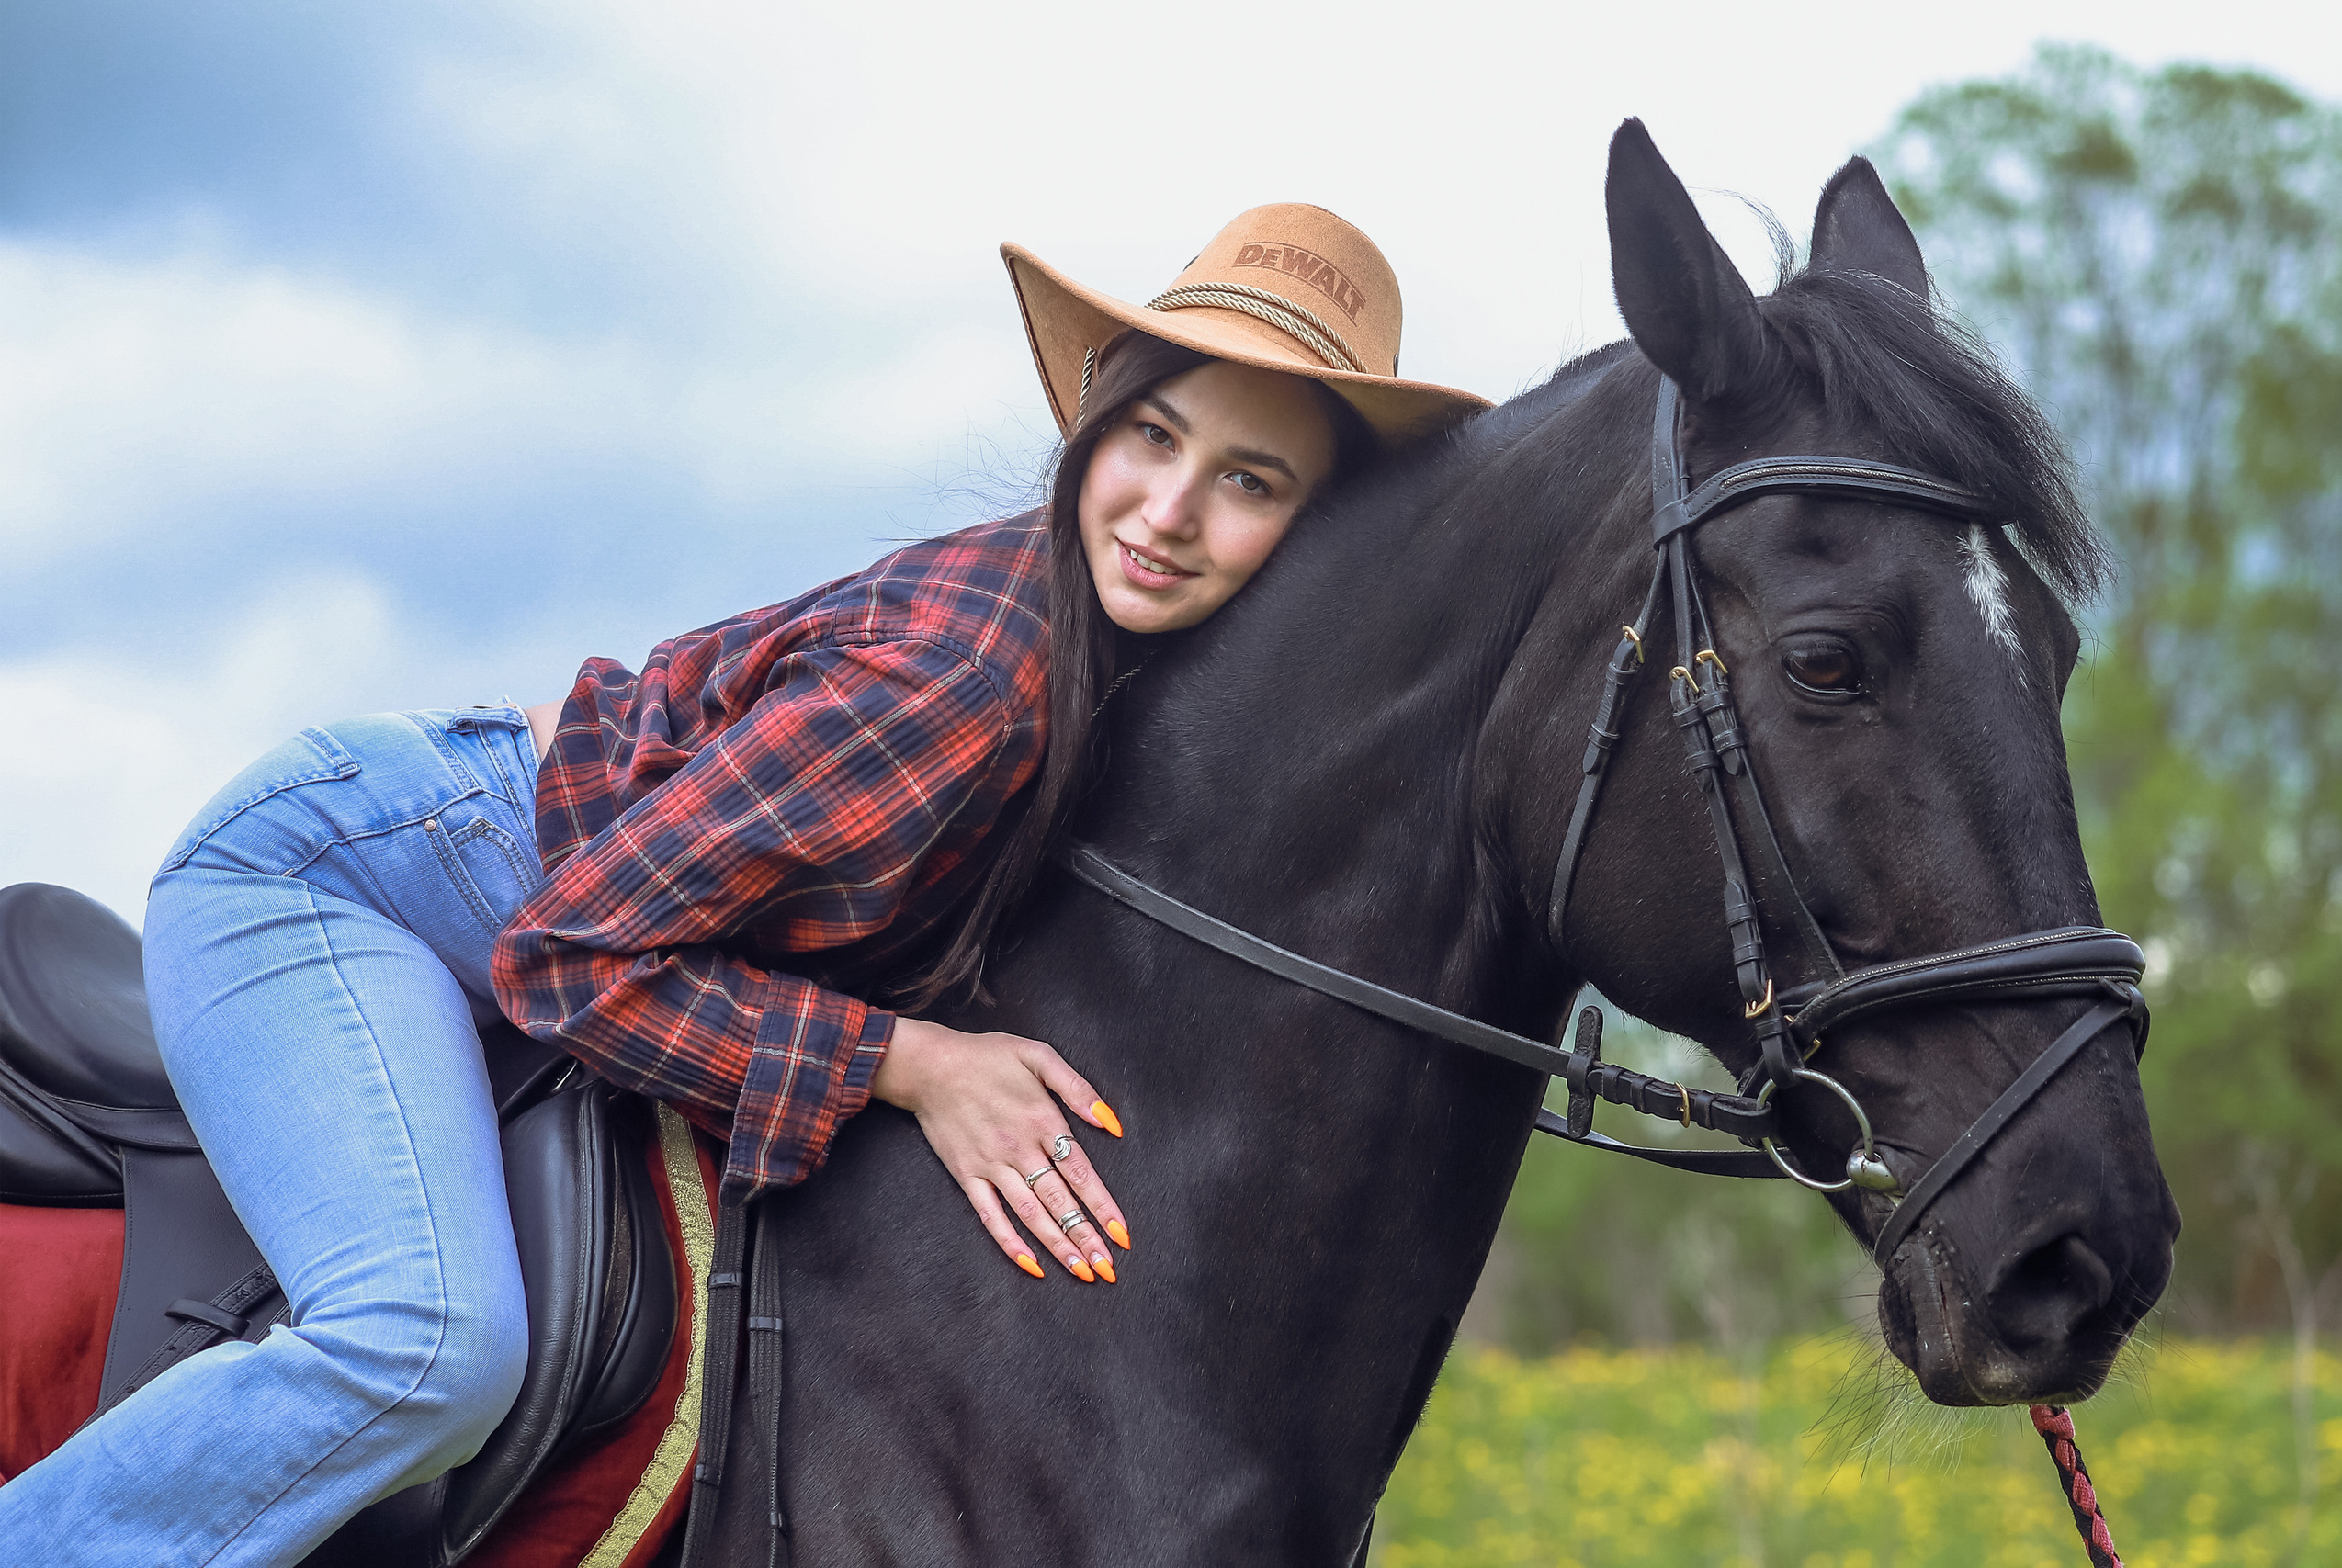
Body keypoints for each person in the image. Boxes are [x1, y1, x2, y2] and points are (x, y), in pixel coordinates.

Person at [0, 204, 1486, 1562]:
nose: (1168, 509)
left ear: (1312, 534)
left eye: (1246, 479)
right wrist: (903, 1061)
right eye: (1152, 438)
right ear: (1092, 429)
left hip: (509, 868)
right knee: (423, 1345)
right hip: (341, 875)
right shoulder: (979, 676)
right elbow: (568, 958)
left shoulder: (1131, 680)